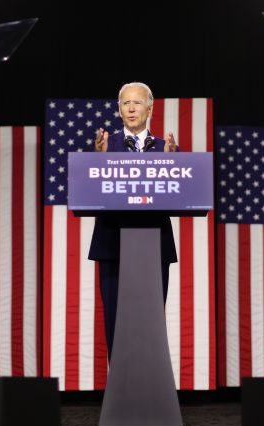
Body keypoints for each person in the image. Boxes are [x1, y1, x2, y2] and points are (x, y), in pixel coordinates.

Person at [87, 81, 178, 359]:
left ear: (149, 109)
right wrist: (98, 160)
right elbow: (90, 192)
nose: (131, 108)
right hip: (112, 245)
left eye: (137, 102)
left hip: (154, 245)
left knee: (150, 323)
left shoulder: (166, 148)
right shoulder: (105, 146)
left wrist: (174, 163)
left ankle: (149, 381)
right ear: (119, 110)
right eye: (125, 103)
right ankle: (120, 381)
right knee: (115, 322)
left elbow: (178, 194)